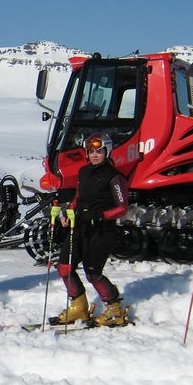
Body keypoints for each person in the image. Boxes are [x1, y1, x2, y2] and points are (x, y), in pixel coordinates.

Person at [55, 133, 129, 326]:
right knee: (64, 268)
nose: (95, 155)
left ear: (107, 152)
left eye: (99, 151)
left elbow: (122, 207)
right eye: (91, 151)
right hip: (79, 227)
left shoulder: (115, 177)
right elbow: (78, 198)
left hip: (102, 231)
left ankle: (115, 310)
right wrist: (67, 213)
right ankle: (78, 307)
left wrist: (100, 216)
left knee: (93, 272)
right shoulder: (84, 172)